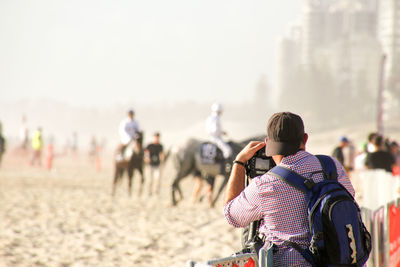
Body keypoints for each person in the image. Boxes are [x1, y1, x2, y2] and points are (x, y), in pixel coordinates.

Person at [223, 112, 355, 266]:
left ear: (268, 144)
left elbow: (231, 216)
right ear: (305, 139)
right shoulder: (332, 167)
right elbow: (349, 198)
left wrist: (239, 162)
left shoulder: (265, 184)